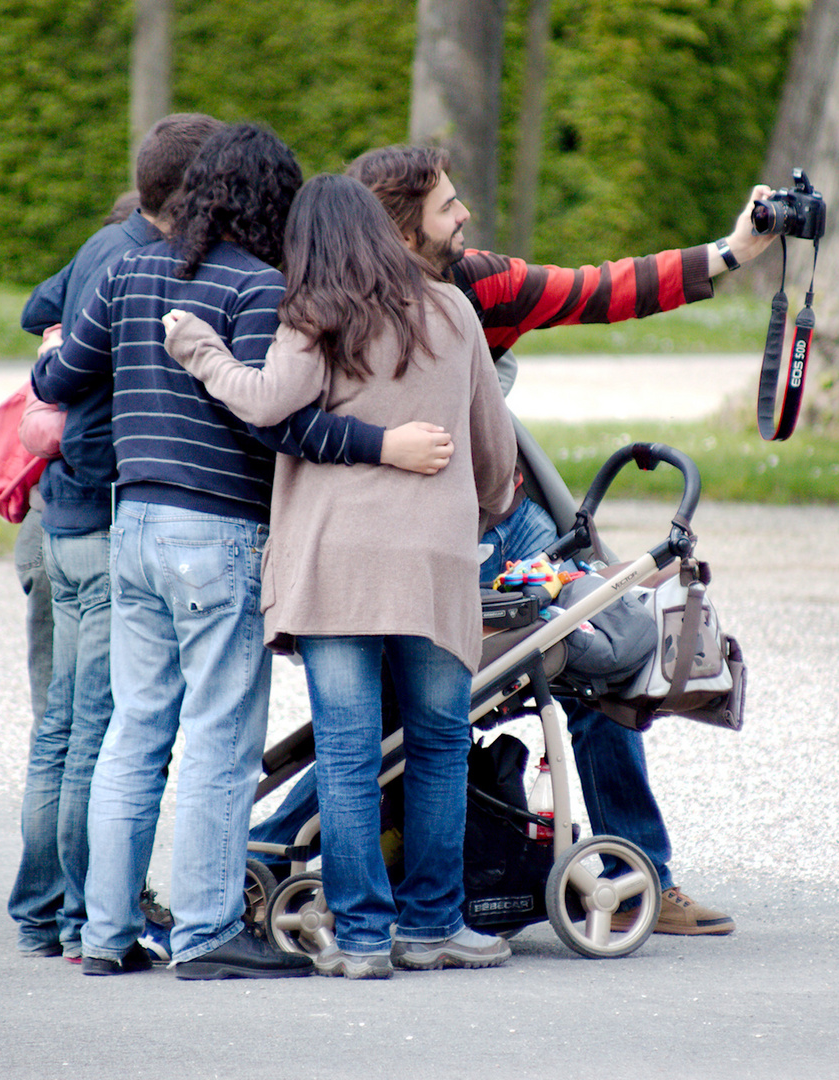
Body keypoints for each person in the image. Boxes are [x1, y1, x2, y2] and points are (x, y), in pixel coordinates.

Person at [253, 144, 779, 937]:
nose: (465, 215)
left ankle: (643, 875)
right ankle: (275, 843)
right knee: (400, 711)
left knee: (594, 635)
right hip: (415, 529)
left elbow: (598, 289)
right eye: (446, 207)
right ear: (395, 232)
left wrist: (733, 251)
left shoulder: (477, 283)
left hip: (497, 515)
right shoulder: (329, 300)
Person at [31, 123, 452, 980]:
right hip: (217, 530)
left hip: (133, 525)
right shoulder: (259, 290)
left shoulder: (128, 271)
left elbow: (57, 382)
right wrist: (381, 446)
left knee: (134, 733)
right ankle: (207, 933)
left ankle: (105, 935)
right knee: (221, 734)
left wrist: (53, 356)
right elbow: (281, 420)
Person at [164, 172, 518, 979]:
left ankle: (362, 938)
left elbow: (265, 405)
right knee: (438, 742)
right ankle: (435, 924)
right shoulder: (453, 310)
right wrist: (481, 512)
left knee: (350, 751)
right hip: (432, 562)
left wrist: (199, 350)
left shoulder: (315, 314)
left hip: (334, 565)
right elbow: (492, 449)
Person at [5, 114, 222, 962]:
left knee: (62, 726)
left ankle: (38, 908)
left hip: (59, 516)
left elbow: (36, 312)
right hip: (98, 509)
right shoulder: (143, 263)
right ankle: (80, 918)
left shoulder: (104, 247)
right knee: (97, 728)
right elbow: (88, 400)